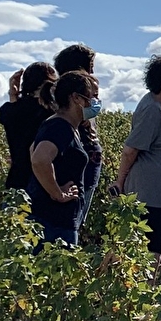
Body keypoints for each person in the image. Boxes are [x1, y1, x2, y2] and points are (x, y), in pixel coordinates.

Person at [111, 56, 161, 259]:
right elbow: (131, 150)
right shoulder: (151, 109)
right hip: (149, 192)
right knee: (149, 249)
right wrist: (120, 182)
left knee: (156, 244)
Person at [26, 71, 100, 245]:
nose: (94, 103)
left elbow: (32, 150)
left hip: (58, 220)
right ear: (76, 98)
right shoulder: (60, 127)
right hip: (53, 222)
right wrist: (57, 193)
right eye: (90, 97)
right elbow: (39, 159)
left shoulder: (63, 125)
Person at [53, 44, 103, 231]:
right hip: (77, 170)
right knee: (69, 223)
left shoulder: (69, 93)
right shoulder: (69, 96)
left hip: (86, 166)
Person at [0, 61, 57, 197]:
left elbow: (15, 113)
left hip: (16, 180)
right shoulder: (52, 112)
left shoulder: (9, 111)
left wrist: (13, 95)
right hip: (44, 181)